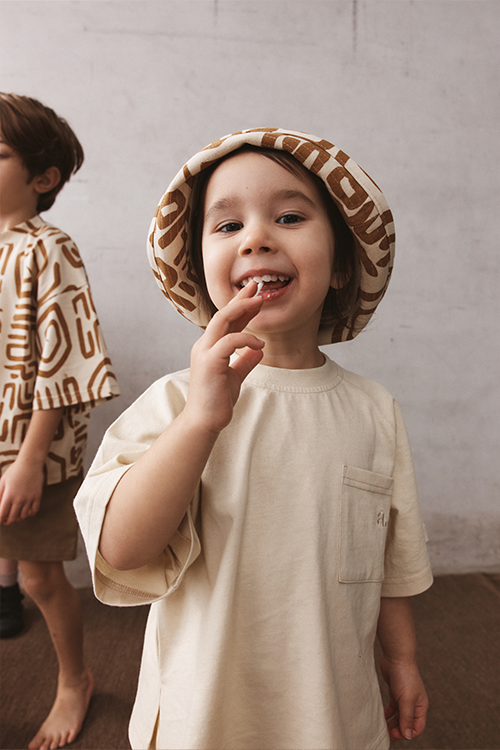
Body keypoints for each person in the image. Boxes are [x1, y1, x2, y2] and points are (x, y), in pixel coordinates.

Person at [75, 128, 433, 750]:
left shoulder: (375, 410)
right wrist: (200, 422)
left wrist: (400, 661)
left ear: (344, 262)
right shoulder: (174, 402)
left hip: (332, 713)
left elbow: (389, 565)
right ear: (197, 267)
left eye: (289, 216)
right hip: (205, 714)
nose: (257, 238)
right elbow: (121, 549)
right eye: (227, 226)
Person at [0, 93, 120, 749]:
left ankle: (75, 679)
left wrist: (28, 460)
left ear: (43, 178)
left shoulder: (51, 250)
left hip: (29, 451)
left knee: (43, 575)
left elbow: (68, 358)